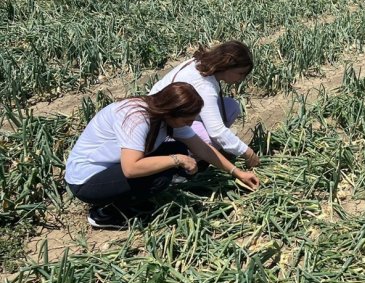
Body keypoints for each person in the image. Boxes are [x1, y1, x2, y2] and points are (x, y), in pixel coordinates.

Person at [65, 82, 259, 229]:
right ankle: (105, 214)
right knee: (162, 174)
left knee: (180, 149)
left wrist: (237, 172)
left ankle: (134, 198)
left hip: (113, 168)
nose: (190, 124)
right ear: (171, 112)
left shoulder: (164, 116)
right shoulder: (136, 118)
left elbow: (202, 149)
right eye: (187, 119)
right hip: (87, 179)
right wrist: (176, 160)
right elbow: (131, 169)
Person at [149, 41, 260, 170]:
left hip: (181, 113)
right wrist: (248, 153)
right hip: (164, 127)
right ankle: (184, 163)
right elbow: (217, 131)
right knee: (207, 141)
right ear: (227, 64)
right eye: (240, 73)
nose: (241, 79)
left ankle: (212, 150)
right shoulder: (204, 85)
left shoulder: (201, 63)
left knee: (231, 107)